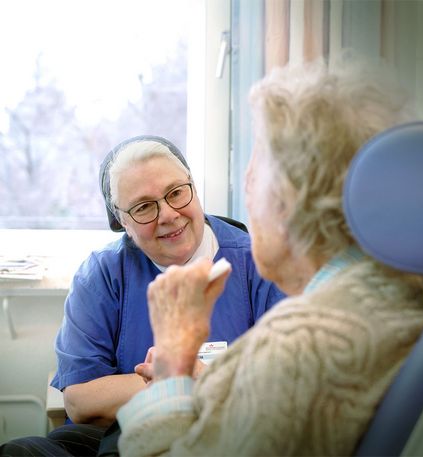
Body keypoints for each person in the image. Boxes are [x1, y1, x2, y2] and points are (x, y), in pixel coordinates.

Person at [114, 56, 423, 456]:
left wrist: (171, 357)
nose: (245, 186)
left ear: (288, 198)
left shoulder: (298, 345)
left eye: (255, 168)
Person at [0, 136, 284, 457]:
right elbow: (81, 401)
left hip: (231, 436)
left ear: (193, 187)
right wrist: (184, 377)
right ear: (122, 221)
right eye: (144, 207)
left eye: (176, 192)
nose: (168, 215)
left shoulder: (262, 264)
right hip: (119, 438)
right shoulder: (102, 274)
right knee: (20, 452)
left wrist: (189, 379)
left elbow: (285, 387)